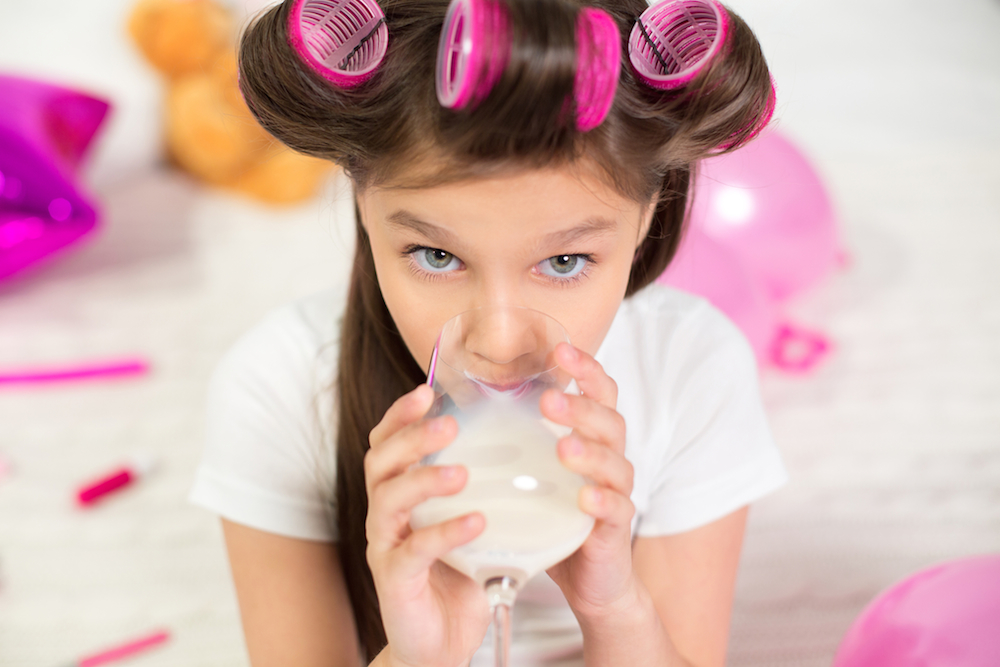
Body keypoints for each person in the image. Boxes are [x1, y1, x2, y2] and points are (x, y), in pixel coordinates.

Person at [189, 0, 787, 665]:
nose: (500, 344)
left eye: (564, 262)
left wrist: (613, 608)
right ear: (362, 200)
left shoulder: (690, 366)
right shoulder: (279, 385)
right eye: (435, 255)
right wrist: (424, 655)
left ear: (650, 212)